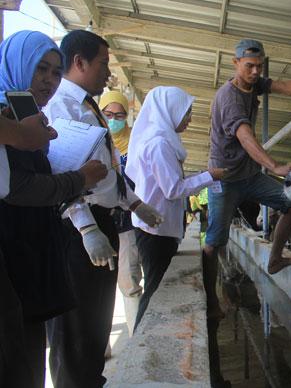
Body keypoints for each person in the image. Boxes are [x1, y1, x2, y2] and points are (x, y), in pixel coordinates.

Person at [43, 30, 163, 388]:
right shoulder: (61, 106)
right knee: (75, 330)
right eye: (102, 64)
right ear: (79, 62)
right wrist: (85, 227)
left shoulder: (89, 106)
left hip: (104, 220)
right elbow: (62, 172)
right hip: (78, 228)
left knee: (94, 323)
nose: (107, 73)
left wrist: (134, 203)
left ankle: (90, 380)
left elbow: (108, 168)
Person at [0, 30, 108, 388]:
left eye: (54, 72)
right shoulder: (8, 118)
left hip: (33, 252)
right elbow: (18, 188)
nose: (48, 80)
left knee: (30, 354)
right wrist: (79, 180)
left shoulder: (29, 117)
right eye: (40, 69)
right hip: (14, 253)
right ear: (16, 67)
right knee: (21, 358)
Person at [203, 38, 291, 317]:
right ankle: (210, 299)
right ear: (235, 63)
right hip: (224, 179)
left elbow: (285, 87)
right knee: (215, 241)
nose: (255, 72)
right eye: (249, 66)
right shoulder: (228, 98)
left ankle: (275, 259)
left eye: (259, 67)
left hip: (249, 175)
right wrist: (274, 166)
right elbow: (245, 137)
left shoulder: (254, 84)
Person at [126, 86, 225, 329]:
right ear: (169, 111)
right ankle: (142, 339)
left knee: (157, 285)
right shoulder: (159, 144)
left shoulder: (165, 139)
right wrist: (209, 176)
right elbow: (173, 189)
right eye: (186, 112)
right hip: (154, 231)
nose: (190, 118)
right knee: (155, 288)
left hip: (158, 226)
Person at [100, 89, 143, 335]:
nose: (114, 119)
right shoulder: (95, 140)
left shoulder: (134, 146)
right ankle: (99, 346)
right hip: (98, 221)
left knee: (128, 280)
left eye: (119, 114)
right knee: (97, 288)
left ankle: (135, 336)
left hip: (126, 223)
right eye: (108, 114)